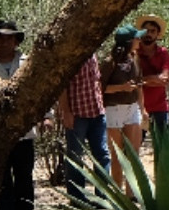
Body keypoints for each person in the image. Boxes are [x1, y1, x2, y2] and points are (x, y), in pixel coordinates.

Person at [0, 21, 36, 210]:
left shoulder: (29, 63)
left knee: (24, 172)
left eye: (9, 38)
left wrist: (47, 116)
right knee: (1, 174)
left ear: (16, 41)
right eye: (0, 38)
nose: (5, 42)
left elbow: (39, 90)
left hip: (24, 128)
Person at [58, 41, 106, 184]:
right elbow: (62, 86)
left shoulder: (93, 54)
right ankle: (77, 197)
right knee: (76, 157)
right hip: (77, 114)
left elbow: (97, 81)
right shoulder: (69, 56)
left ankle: (103, 196)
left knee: (102, 155)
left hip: (97, 112)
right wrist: (66, 112)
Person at [101, 32, 147, 172]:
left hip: (132, 108)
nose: (140, 40)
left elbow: (139, 86)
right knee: (117, 156)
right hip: (113, 109)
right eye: (137, 38)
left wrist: (142, 108)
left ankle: (131, 193)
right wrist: (121, 88)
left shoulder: (135, 59)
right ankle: (117, 191)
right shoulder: (110, 62)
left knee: (133, 154)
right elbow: (100, 88)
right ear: (129, 41)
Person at [135, 13, 169, 147]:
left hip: (160, 107)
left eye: (152, 31)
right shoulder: (135, 53)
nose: (149, 34)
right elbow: (133, 81)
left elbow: (165, 79)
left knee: (165, 148)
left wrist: (143, 80)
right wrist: (154, 79)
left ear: (157, 34)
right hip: (138, 107)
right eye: (146, 30)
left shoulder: (163, 53)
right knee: (133, 148)